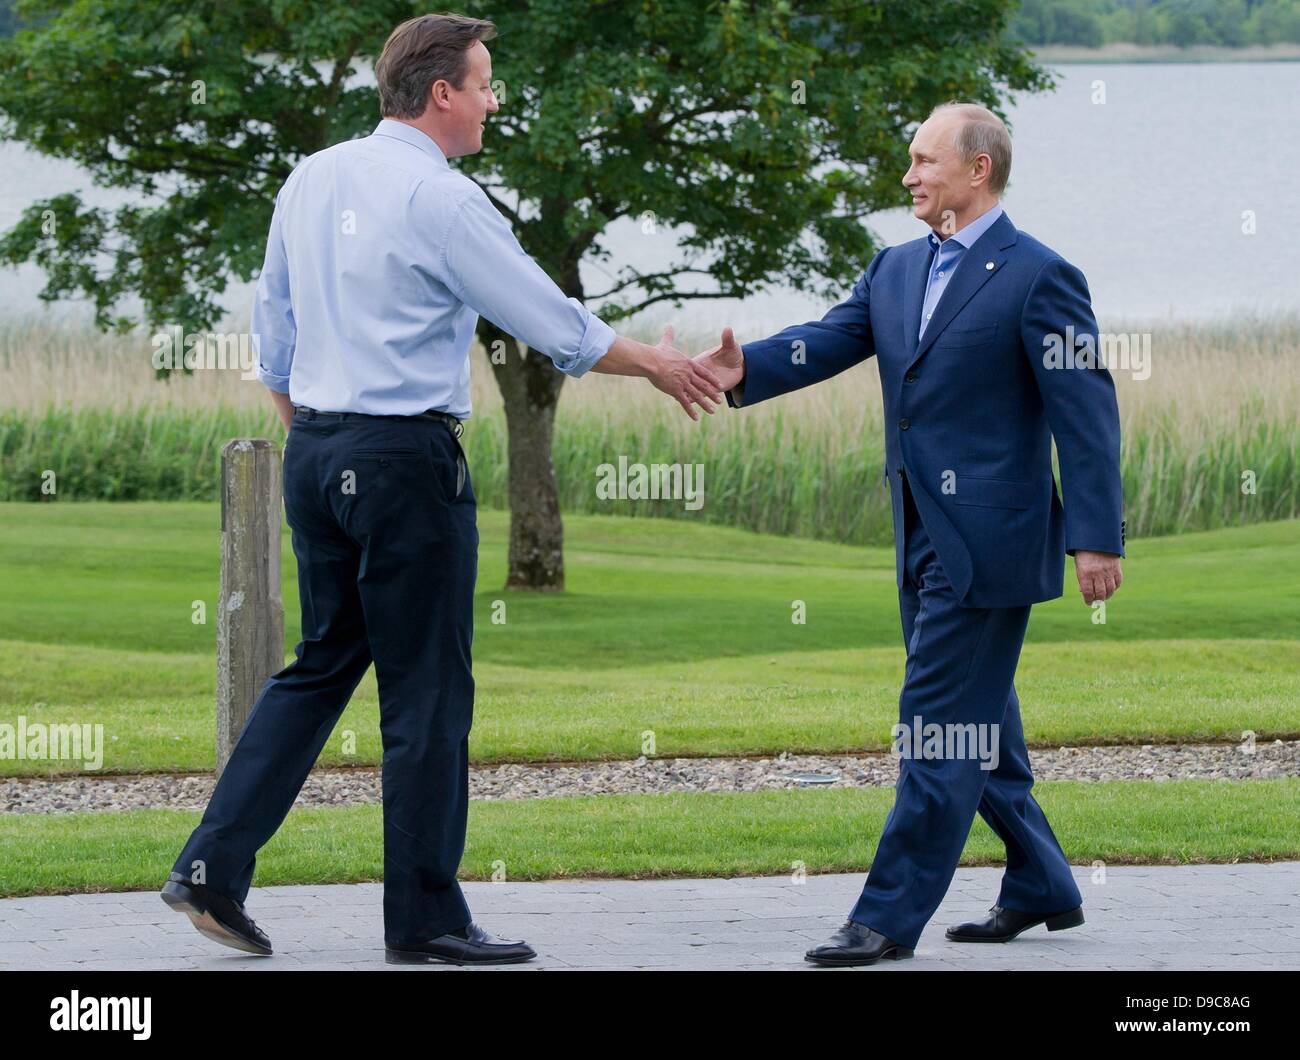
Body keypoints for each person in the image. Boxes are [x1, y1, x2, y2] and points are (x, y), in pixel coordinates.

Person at [160, 12, 722, 967]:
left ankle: (212, 867)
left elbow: (276, 327)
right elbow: (554, 322)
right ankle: (426, 919)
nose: (496, 100)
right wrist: (661, 368)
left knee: (320, 665)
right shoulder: (443, 200)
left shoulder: (312, 176)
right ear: (442, 95)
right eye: (487, 82)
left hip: (319, 453)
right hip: (404, 468)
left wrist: (320, 442)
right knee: (426, 694)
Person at [695, 102, 1125, 966]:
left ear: (979, 171)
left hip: (993, 544)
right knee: (977, 726)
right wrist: (748, 370)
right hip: (919, 536)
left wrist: (1096, 535)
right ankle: (1042, 881)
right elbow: (830, 339)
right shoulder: (894, 269)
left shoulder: (1041, 276)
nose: (909, 176)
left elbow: (1087, 412)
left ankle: (886, 917)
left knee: (934, 726)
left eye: (925, 161)